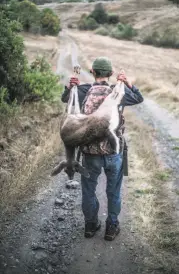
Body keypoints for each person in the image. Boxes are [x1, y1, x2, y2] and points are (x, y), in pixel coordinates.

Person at [61, 57, 144, 241]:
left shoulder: (83, 91)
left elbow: (65, 99)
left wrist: (70, 87)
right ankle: (111, 227)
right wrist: (128, 83)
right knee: (113, 191)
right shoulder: (118, 92)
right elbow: (139, 98)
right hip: (114, 152)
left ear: (93, 72)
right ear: (111, 74)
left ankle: (91, 225)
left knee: (89, 190)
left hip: (90, 154)